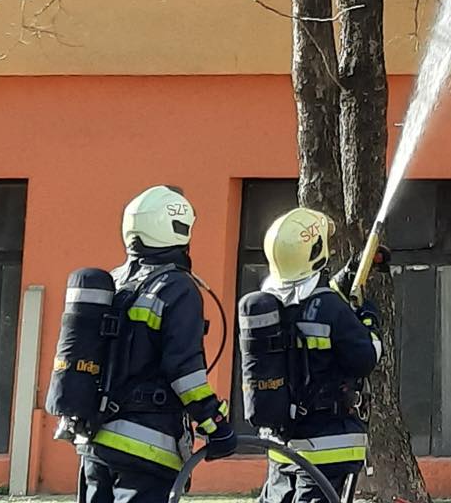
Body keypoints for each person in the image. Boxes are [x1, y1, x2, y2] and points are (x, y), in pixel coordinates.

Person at [79, 186, 234, 503]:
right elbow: (185, 372)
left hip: (95, 441)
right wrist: (215, 424)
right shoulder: (176, 287)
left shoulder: (115, 281)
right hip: (145, 447)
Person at [242, 207, 382, 503]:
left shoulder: (272, 306)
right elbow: (365, 358)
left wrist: (349, 274)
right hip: (329, 444)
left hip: (283, 445)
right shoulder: (332, 309)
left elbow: (307, 303)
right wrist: (369, 320)